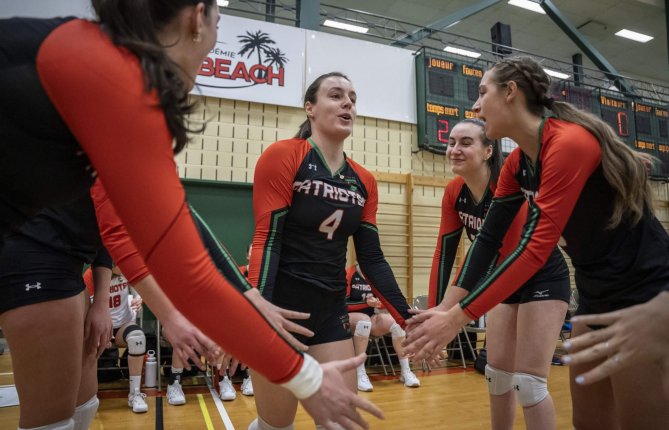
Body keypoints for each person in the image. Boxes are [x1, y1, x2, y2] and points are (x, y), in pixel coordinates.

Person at [0, 2, 382, 429]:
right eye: (218, 26)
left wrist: (249, 298)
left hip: (60, 254)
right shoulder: (106, 74)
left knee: (75, 409)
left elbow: (173, 225)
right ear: (196, 18)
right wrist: (302, 373)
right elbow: (174, 258)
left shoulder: (112, 71)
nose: (211, 47)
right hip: (32, 251)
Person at [404, 56, 669, 429]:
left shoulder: (568, 143)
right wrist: (445, 310)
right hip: (596, 294)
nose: (475, 106)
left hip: (646, 292)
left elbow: (533, 248)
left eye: (482, 93)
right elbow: (488, 239)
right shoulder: (516, 164)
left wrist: (457, 318)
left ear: (511, 92)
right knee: (588, 421)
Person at [247, 72, 413, 430]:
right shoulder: (284, 156)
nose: (347, 103)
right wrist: (258, 309)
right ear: (310, 108)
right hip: (281, 310)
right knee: (276, 425)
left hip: (330, 312)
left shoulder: (364, 180)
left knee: (343, 424)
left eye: (352, 97)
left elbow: (372, 259)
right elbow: (268, 239)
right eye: (335, 95)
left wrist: (406, 318)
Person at [427, 118, 570, 429]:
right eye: (451, 142)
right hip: (501, 281)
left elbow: (508, 253)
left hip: (541, 276)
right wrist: (434, 313)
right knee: (496, 376)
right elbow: (444, 254)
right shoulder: (454, 192)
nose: (454, 149)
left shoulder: (507, 186)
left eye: (466, 143)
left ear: (488, 150)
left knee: (529, 383)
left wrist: (453, 315)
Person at [346, 263, 420, 392]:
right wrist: (365, 303)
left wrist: (379, 304)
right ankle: (359, 372)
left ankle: (406, 371)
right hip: (350, 316)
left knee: (396, 324)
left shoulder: (375, 274)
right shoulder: (349, 273)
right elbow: (341, 302)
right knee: (364, 322)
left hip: (371, 316)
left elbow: (384, 302)